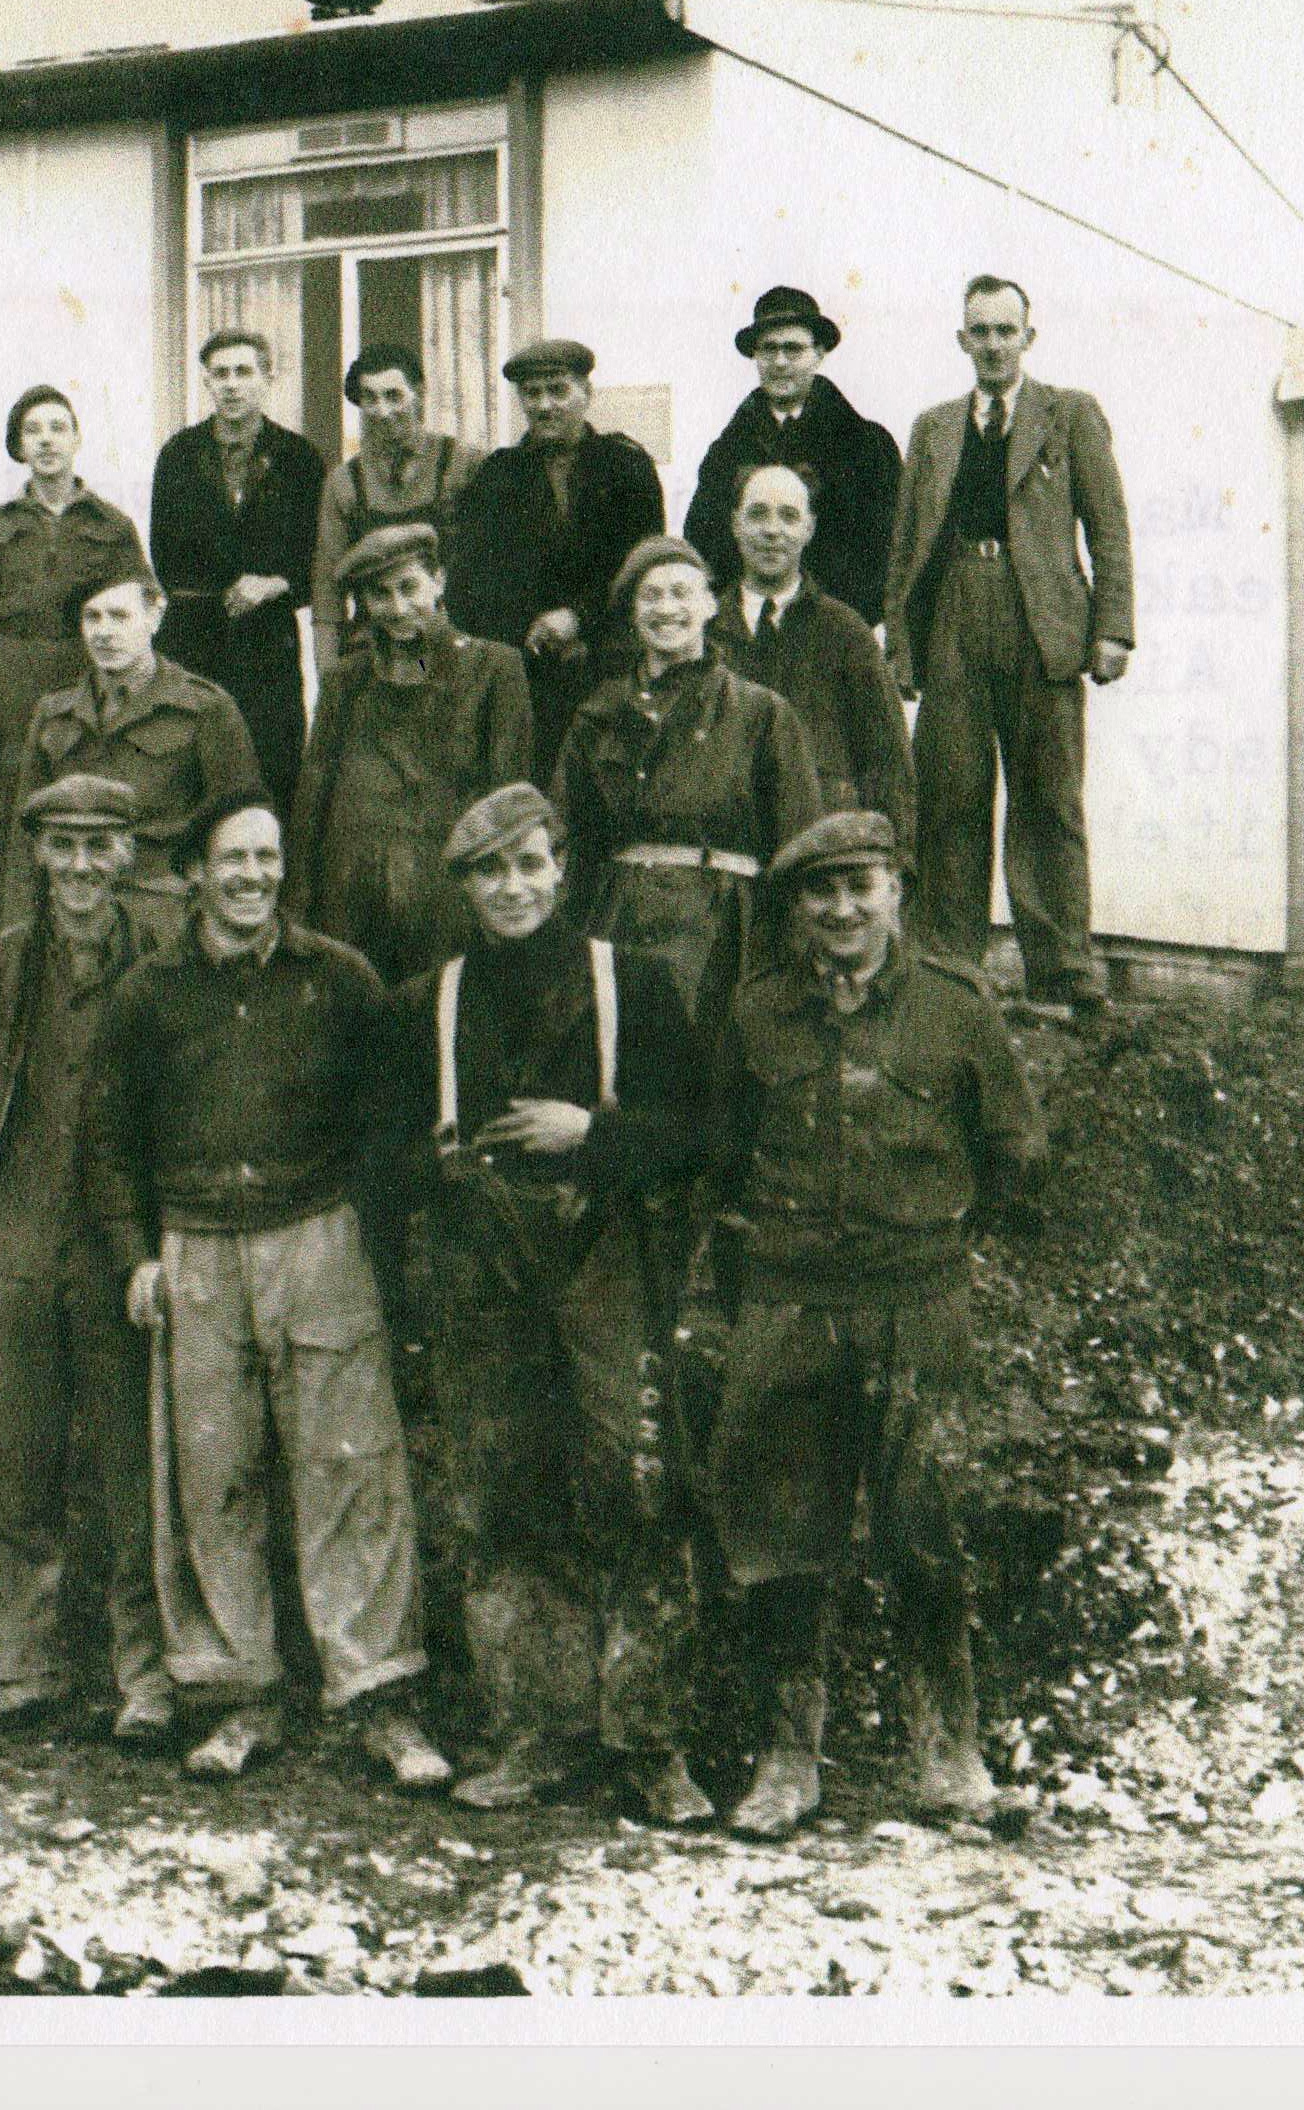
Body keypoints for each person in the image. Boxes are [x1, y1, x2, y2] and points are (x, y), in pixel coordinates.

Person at [86, 793, 453, 1790]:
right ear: (195, 876)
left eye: (267, 858)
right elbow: (109, 1142)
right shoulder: (148, 993)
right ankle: (237, 1695)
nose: (252, 877)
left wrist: (373, 1245)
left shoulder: (338, 980)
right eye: (231, 861)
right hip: (196, 1247)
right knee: (214, 1478)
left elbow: (390, 1126)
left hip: (318, 1237)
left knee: (351, 1466)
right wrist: (138, 1257)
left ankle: (379, 1697)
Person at [697, 809, 1045, 1838]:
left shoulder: (955, 1009)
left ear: (897, 889)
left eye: (862, 885)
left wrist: (941, 1247)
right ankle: (787, 1759)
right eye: (820, 891)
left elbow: (1016, 1151)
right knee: (778, 1537)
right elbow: (719, 1158)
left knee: (924, 1529)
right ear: (797, 908)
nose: (842, 908)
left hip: (916, 1307)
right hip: (789, 1305)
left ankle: (948, 1755)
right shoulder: (758, 1015)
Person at [401, 784, 713, 1827]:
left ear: (562, 867)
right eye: (490, 872)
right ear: (465, 886)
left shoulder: (638, 984)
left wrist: (596, 1135)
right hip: (479, 1277)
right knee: (500, 1498)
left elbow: (704, 1137)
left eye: (530, 864)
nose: (513, 889)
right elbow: (381, 1153)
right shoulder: (429, 1002)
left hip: (606, 1265)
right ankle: (538, 1733)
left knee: (635, 1488)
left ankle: (650, 1742)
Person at [0, 773, 183, 1739]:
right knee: (7, 1441)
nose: (81, 866)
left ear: (127, 855)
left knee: (137, 1455)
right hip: (16, 1217)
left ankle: (151, 1678)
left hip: (120, 1227)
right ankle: (18, 1664)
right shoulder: (0, 965)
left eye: (100, 846)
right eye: (62, 846)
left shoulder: (164, 959)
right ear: (36, 855)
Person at [882, 276, 1136, 1009]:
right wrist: (900, 644)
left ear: (1028, 336)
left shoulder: (1069, 415)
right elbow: (905, 545)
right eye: (978, 332)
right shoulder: (933, 427)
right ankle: (948, 972)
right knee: (949, 798)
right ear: (961, 340)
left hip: (1042, 622)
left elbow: (1108, 529)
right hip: (956, 612)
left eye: (1004, 331)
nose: (991, 345)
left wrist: (1112, 629)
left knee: (1047, 798)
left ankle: (1060, 970)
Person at [551, 535, 825, 1036]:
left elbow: (799, 848)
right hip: (621, 922)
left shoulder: (760, 712)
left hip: (725, 933)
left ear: (708, 605)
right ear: (632, 614)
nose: (667, 609)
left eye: (681, 593)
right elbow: (569, 840)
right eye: (650, 596)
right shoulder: (599, 717)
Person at [288, 520, 532, 986]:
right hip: (351, 909)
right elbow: (311, 804)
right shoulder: (346, 681)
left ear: (438, 581)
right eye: (380, 594)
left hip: (446, 911)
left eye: (409, 587)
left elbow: (507, 804)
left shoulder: (494, 671)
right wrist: (299, 912)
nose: (398, 608)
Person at [0, 384, 148, 910]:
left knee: (93, 805)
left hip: (89, 678)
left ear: (78, 438)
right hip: (14, 684)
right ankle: (10, 936)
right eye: (32, 430)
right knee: (15, 816)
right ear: (18, 445)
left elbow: (143, 606)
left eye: (58, 427)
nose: (46, 441)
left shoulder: (111, 526)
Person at [0, 559, 263, 934]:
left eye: (119, 617)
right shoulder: (54, 713)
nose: (104, 633)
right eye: (93, 618)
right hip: (75, 910)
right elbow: (24, 845)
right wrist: (20, 938)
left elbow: (241, 832)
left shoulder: (205, 709)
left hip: (167, 916)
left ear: (155, 616)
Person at [445, 338, 667, 767]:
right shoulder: (498, 476)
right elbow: (471, 583)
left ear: (587, 394)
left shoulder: (625, 466)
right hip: (528, 675)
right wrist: (531, 632)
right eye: (532, 393)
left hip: (612, 664)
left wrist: (579, 619)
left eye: (557, 390)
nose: (544, 405)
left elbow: (645, 568)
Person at [148, 329, 325, 813]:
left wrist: (275, 584)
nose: (231, 385)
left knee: (270, 777)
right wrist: (223, 587)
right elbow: (165, 557)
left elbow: (318, 560)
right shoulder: (179, 456)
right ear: (206, 382)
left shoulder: (299, 460)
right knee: (188, 775)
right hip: (193, 641)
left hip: (267, 648)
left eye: (244, 372)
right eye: (220, 374)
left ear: (269, 378)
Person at [713, 461, 914, 850]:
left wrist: (895, 866)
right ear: (736, 524)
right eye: (758, 515)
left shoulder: (846, 633)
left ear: (809, 530)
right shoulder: (705, 632)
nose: (773, 531)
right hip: (728, 855)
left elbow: (888, 766)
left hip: (819, 853)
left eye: (789, 517)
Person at [680, 287, 903, 624]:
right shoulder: (726, 453)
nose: (780, 362)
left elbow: (888, 552)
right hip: (747, 637)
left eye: (793, 349)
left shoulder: (866, 447)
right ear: (755, 356)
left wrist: (843, 626)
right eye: (769, 349)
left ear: (819, 354)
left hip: (833, 635)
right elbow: (703, 544)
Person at [307, 344, 485, 677]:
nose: (382, 410)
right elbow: (328, 595)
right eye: (370, 398)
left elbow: (492, 567)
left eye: (393, 395)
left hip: (456, 647)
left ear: (419, 393)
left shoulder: (465, 464)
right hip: (375, 652)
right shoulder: (344, 483)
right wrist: (330, 683)